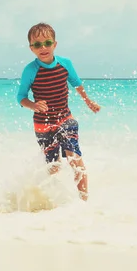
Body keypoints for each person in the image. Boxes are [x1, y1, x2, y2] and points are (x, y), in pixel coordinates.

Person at [16, 22, 101, 201]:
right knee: (53, 167)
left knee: (74, 158)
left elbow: (77, 84)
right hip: (43, 124)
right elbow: (20, 97)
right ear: (31, 48)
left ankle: (84, 201)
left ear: (55, 44)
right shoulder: (30, 70)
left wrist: (88, 101)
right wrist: (33, 105)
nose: (43, 48)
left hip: (65, 118)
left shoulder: (65, 64)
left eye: (47, 43)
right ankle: (48, 201)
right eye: (37, 45)